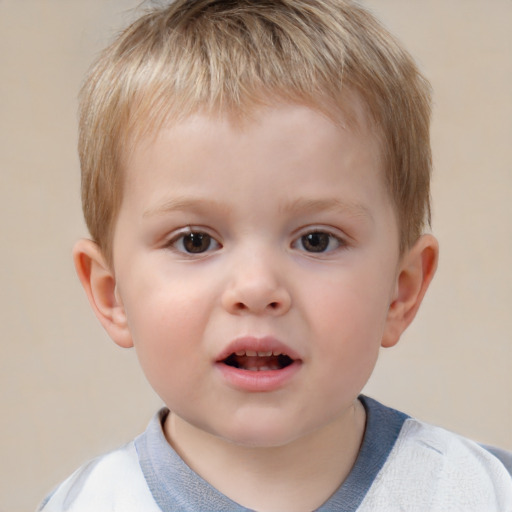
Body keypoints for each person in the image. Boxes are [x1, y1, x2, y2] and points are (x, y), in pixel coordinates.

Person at [38, 1, 512, 510]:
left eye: (316, 240)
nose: (258, 288)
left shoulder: (482, 491)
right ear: (112, 296)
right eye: (195, 241)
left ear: (401, 290)